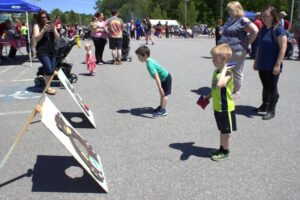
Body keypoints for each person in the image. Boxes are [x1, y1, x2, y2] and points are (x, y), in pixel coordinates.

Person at [218, 1, 258, 98]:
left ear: (236, 9)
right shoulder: (230, 19)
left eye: (230, 10)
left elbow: (255, 30)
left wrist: (247, 42)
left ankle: (236, 92)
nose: (228, 11)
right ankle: (227, 87)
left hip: (237, 50)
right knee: (226, 68)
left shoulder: (243, 20)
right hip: (226, 50)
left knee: (236, 71)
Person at [253, 6, 287, 120]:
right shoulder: (262, 29)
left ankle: (271, 110)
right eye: (263, 16)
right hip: (262, 63)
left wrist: (278, 64)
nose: (264, 18)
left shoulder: (278, 29)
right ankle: (264, 105)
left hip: (273, 65)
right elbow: (259, 46)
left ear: (273, 16)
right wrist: (256, 61)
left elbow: (283, 47)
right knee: (265, 86)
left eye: (266, 16)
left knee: (272, 88)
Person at [204, 43, 236, 161]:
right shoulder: (216, 72)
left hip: (226, 108)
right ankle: (221, 148)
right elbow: (214, 88)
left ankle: (226, 151)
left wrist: (225, 69)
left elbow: (220, 84)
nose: (212, 60)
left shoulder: (228, 74)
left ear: (224, 58)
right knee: (222, 130)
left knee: (225, 132)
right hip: (217, 107)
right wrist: (207, 97)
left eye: (214, 58)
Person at [135, 46, 172, 118]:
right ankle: (161, 106)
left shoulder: (149, 64)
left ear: (145, 55)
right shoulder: (149, 60)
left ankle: (163, 111)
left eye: (139, 57)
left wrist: (160, 88)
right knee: (162, 94)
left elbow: (156, 76)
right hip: (164, 78)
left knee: (164, 95)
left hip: (166, 78)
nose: (138, 59)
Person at [33, 10, 60, 95]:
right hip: (42, 51)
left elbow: (57, 38)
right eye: (42, 17)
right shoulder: (37, 26)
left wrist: (54, 29)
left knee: (51, 70)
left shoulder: (51, 25)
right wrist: (43, 30)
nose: (44, 19)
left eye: (46, 17)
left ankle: (47, 85)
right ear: (39, 18)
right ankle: (48, 87)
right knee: (48, 69)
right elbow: (36, 38)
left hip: (52, 50)